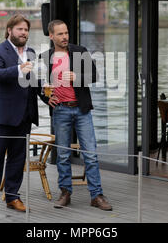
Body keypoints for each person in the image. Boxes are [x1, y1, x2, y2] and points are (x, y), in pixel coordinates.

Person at [38, 19, 112, 211]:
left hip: (82, 110)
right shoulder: (45, 57)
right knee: (62, 155)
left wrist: (77, 77)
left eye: (66, 33)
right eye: (60, 34)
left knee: (91, 154)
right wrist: (47, 99)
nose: (65, 37)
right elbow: (37, 84)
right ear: (51, 36)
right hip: (60, 110)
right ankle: (65, 193)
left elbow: (95, 76)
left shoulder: (80, 51)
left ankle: (97, 196)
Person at [0, 14, 39, 218]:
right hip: (0, 116)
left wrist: (44, 88)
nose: (24, 33)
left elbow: (31, 80)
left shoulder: (30, 52)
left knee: (17, 159)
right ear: (9, 30)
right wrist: (19, 68)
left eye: (26, 30)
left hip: (24, 116)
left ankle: (12, 197)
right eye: (20, 29)